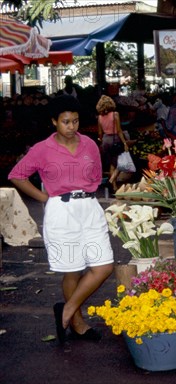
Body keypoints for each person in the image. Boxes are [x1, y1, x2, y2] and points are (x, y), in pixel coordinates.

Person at [8, 95, 114, 344]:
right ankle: (77, 323)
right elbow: (17, 175)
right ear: (54, 121)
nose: (71, 126)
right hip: (61, 211)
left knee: (104, 266)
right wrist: (44, 198)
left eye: (75, 121)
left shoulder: (89, 144)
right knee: (72, 269)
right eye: (66, 121)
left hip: (89, 208)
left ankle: (67, 308)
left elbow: (97, 175)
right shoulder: (41, 149)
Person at [96, 95, 129, 191]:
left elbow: (99, 133)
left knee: (112, 164)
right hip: (115, 139)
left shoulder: (99, 117)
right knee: (120, 163)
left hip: (105, 140)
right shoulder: (115, 114)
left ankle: (114, 186)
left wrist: (101, 142)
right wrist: (125, 143)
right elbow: (119, 130)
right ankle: (111, 180)